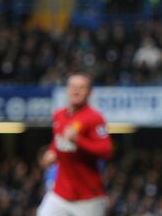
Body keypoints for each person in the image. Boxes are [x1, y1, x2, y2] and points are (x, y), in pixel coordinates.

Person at [37, 72, 113, 216]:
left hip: (88, 197)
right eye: (72, 87)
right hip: (60, 193)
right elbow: (58, 141)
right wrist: (52, 153)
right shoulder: (59, 115)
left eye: (81, 87)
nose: (76, 90)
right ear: (67, 90)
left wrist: (79, 141)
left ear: (89, 92)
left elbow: (106, 150)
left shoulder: (95, 118)